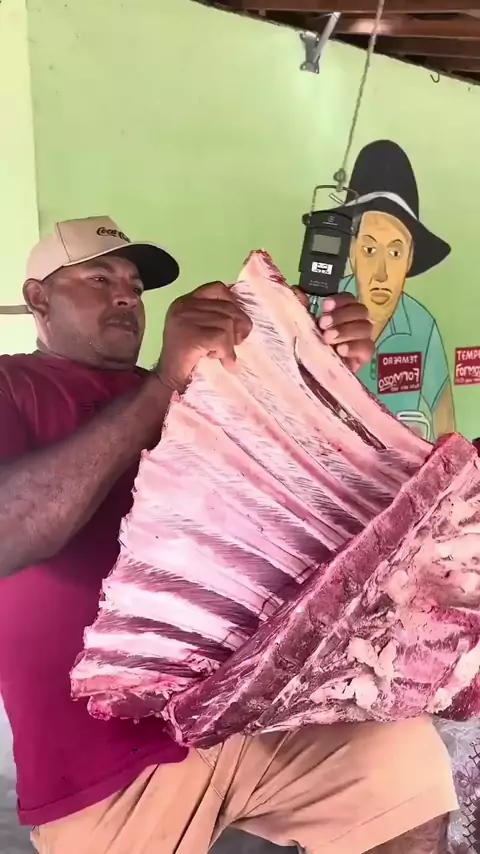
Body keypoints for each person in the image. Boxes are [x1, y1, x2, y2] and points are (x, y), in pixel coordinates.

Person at [0, 216, 456, 854]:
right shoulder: (14, 384)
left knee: (404, 768)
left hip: (250, 708)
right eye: (99, 279)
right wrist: (162, 385)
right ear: (38, 298)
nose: (126, 296)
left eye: (134, 285)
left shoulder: (198, 382)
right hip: (102, 763)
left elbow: (290, 498)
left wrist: (322, 376)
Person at [309, 140, 455, 442]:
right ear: (351, 252)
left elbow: (446, 424)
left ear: (410, 259)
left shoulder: (422, 326)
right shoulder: (313, 307)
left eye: (395, 253)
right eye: (369, 249)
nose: (381, 273)